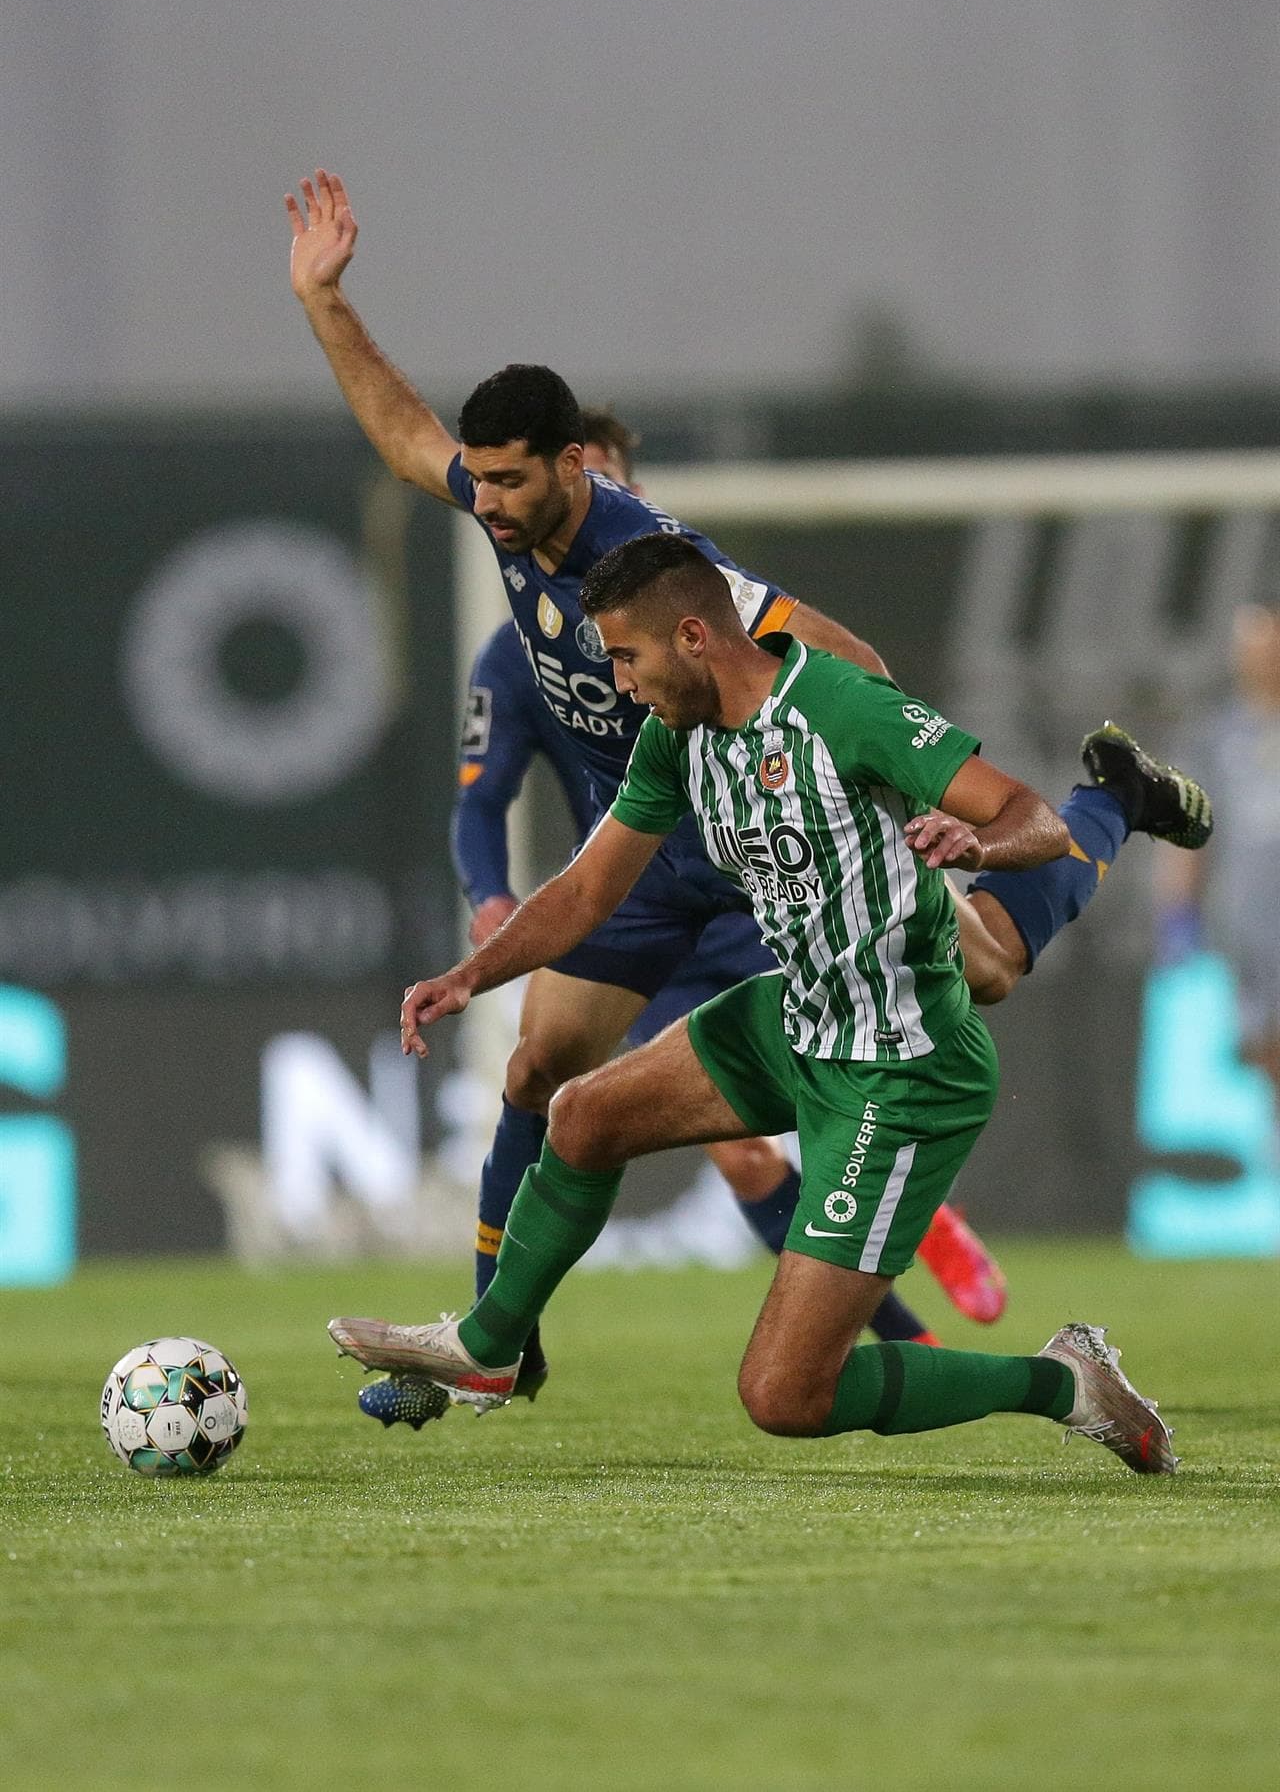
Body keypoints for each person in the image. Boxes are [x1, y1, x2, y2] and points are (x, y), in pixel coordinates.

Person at [330, 534, 1199, 1474]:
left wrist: (981, 844)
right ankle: (489, 1349)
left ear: (695, 636)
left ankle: (1064, 1379)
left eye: (627, 656)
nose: (620, 683)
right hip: (795, 1019)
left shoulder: (839, 706)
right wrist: (473, 975)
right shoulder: (677, 735)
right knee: (581, 1115)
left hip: (899, 1069)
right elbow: (588, 891)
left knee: (784, 1395)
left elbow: (1022, 809)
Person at [1154, 601, 1280, 1097]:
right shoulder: (1216, 737)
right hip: (1244, 935)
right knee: (1253, 1053)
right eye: (1247, 642)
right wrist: (1177, 917)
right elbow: (1187, 836)